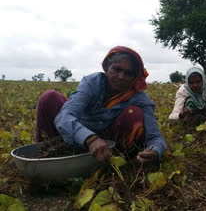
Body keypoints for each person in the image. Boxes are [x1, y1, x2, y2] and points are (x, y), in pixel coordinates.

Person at [35, 46, 167, 164]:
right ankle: (45, 158)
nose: (121, 76)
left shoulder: (140, 98)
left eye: (128, 73)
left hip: (109, 145)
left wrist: (155, 151)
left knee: (134, 113)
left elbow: (155, 136)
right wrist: (90, 139)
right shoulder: (92, 83)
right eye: (116, 69)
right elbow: (64, 117)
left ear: (135, 77)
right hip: (76, 136)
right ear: (106, 68)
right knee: (49, 97)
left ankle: (115, 160)